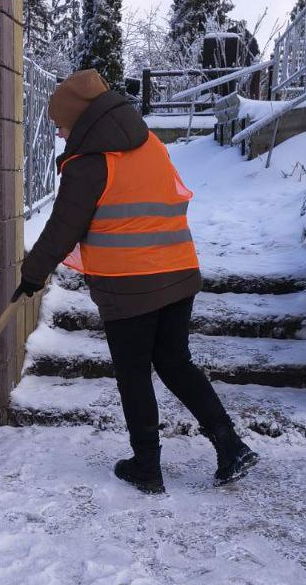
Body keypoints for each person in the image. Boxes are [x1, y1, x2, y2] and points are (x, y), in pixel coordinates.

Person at [13, 68, 258, 494]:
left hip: (128, 284)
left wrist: (32, 275)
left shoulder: (89, 164)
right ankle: (230, 446)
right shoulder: (151, 145)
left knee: (134, 374)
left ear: (80, 119)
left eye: (61, 123)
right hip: (178, 271)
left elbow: (62, 229)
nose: (59, 132)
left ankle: (147, 465)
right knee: (175, 363)